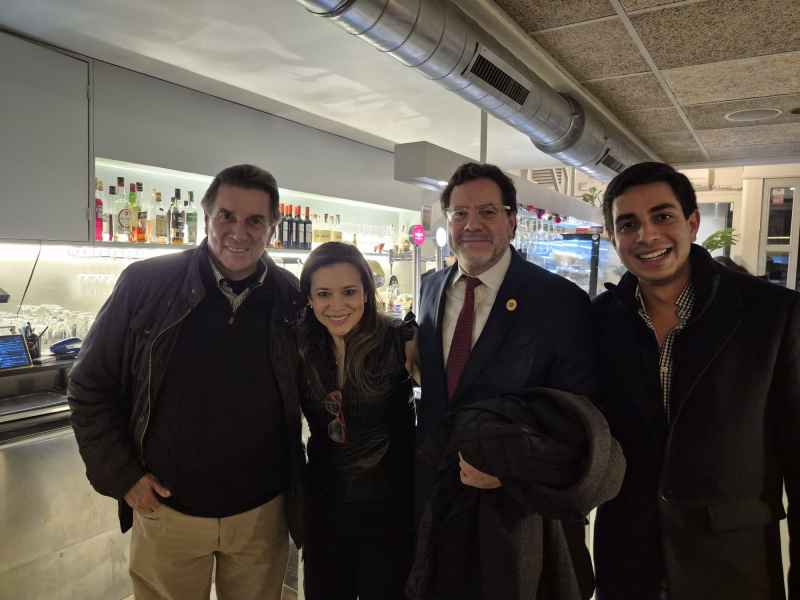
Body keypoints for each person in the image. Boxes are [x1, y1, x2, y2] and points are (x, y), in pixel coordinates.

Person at [68, 164, 306, 600]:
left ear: (273, 227)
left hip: (261, 514)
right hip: (168, 511)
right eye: (227, 216)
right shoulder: (147, 284)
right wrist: (123, 476)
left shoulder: (291, 296)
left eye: (255, 221)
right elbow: (89, 385)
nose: (239, 232)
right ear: (206, 215)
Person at [410, 162, 620, 599]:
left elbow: (578, 415)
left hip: (517, 519)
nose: (472, 225)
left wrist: (513, 470)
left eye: (487, 212)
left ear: (511, 221)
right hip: (439, 507)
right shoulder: (431, 288)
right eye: (460, 213)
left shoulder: (558, 301)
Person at [592, 161, 799, 600]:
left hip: (733, 567)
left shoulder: (771, 315)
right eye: (628, 224)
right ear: (613, 237)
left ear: (692, 223)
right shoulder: (599, 321)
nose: (647, 235)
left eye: (662, 216)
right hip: (627, 565)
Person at [298, 241, 417, 600]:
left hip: (390, 507)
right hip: (325, 506)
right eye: (324, 294)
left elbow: (452, 395)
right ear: (309, 299)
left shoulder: (400, 339)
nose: (337, 305)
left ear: (366, 291)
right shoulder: (301, 345)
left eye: (349, 292)